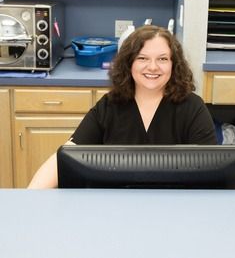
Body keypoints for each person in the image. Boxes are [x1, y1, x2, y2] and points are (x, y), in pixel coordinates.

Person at [28, 25, 217, 189]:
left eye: (162, 59)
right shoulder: (110, 106)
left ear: (174, 65)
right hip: (115, 209)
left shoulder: (192, 107)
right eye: (142, 58)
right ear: (129, 63)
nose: (153, 67)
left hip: (175, 209)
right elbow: (67, 155)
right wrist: (31, 196)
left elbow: (211, 169)